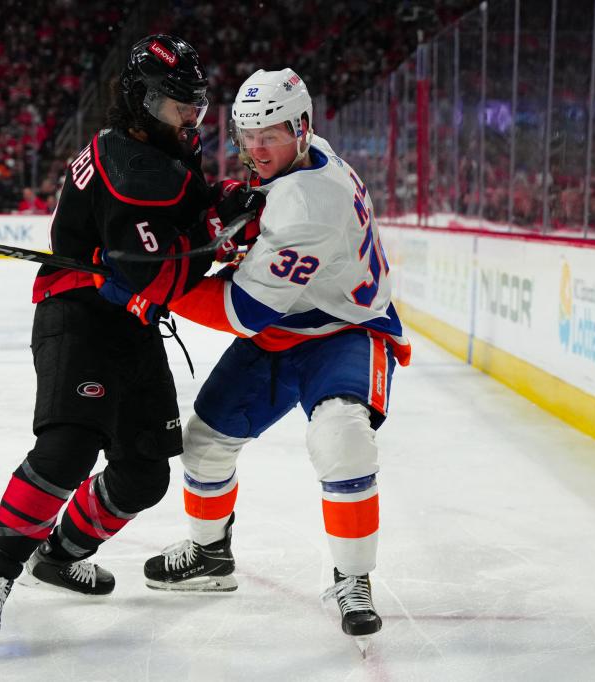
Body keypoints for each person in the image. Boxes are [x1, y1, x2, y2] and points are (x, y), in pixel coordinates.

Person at [0, 34, 264, 650]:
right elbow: (169, 276)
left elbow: (186, 215)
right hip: (80, 311)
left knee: (144, 471)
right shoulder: (131, 166)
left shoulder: (153, 145)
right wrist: (221, 232)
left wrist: (224, 204)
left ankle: (61, 554)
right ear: (146, 101)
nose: (193, 117)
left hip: (130, 319)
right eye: (181, 105)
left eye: (196, 104)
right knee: (69, 448)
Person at [137, 68, 412, 646]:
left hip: (343, 331)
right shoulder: (310, 156)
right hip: (288, 323)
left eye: (271, 134)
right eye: (247, 134)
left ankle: (353, 577)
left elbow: (242, 311)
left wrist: (159, 282)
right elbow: (266, 222)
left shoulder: (309, 206)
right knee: (205, 443)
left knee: (342, 437)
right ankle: (211, 555)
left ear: (302, 127)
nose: (256, 148)